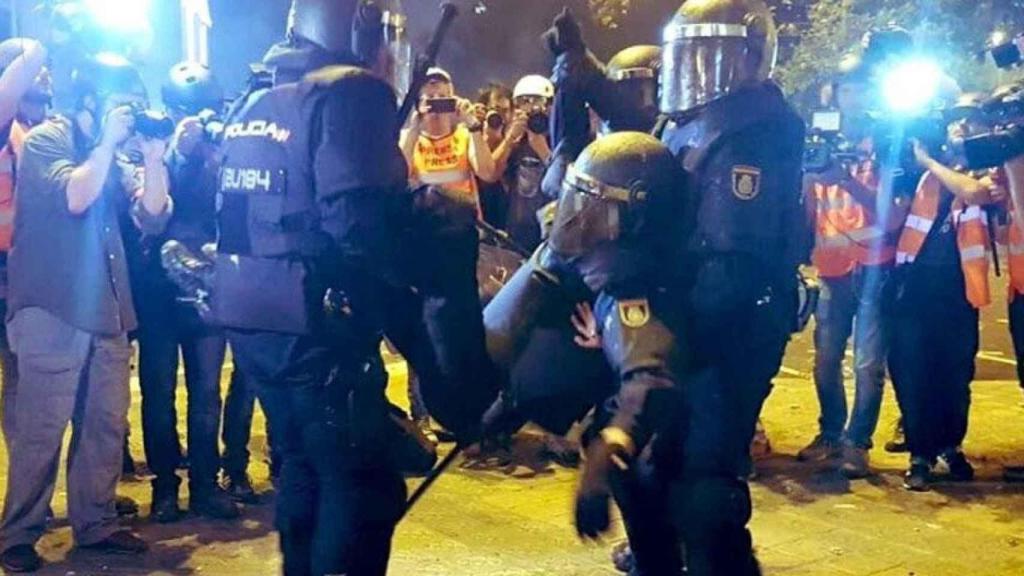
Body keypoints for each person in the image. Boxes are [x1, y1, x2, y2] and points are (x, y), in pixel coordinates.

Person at [211, 0, 415, 573]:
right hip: (320, 330)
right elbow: (358, 229)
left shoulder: (259, 101)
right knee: (359, 487)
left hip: (256, 326)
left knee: (300, 467)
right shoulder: (351, 94)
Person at [0, 53, 172, 572]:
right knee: (41, 429)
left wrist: (155, 158)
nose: (129, 114)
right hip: (50, 308)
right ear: (92, 101)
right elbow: (76, 196)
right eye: (123, 104)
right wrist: (104, 147)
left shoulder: (114, 156)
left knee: (105, 425)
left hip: (108, 312)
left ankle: (94, 523)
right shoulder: (47, 141)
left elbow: (154, 215)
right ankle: (18, 532)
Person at [127, 60, 238, 523]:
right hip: (157, 287)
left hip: (207, 286)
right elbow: (150, 209)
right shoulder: (152, 147)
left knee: (206, 391)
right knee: (157, 392)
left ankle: (207, 485)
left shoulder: (226, 149)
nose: (201, 120)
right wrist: (172, 149)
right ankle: (166, 487)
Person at [798, 55, 907, 478]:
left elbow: (892, 217)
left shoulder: (886, 145)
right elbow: (808, 203)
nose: (853, 98)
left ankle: (856, 443)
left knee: (867, 362)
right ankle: (829, 433)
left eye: (860, 89)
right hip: (831, 267)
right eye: (845, 89)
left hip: (874, 267)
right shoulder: (819, 142)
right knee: (825, 358)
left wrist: (847, 181)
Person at [889, 94, 1001, 492]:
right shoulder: (914, 172)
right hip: (913, 288)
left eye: (969, 122)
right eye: (955, 123)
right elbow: (895, 213)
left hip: (958, 291)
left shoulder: (987, 167)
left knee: (955, 374)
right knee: (913, 371)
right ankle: (920, 453)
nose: (961, 128)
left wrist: (930, 163)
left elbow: (974, 192)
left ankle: (950, 446)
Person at [0, 37, 49, 455]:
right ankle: (25, 492)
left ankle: (32, 488)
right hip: (5, 274)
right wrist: (33, 48)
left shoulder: (35, 130)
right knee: (18, 378)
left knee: (30, 379)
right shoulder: (4, 125)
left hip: (29, 270)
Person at [494, 75, 554, 252]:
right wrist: (510, 139)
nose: (532, 108)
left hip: (550, 232)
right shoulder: (513, 140)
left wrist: (543, 150)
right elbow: (491, 173)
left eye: (539, 102)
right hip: (517, 231)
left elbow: (566, 184)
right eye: (524, 102)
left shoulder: (561, 139)